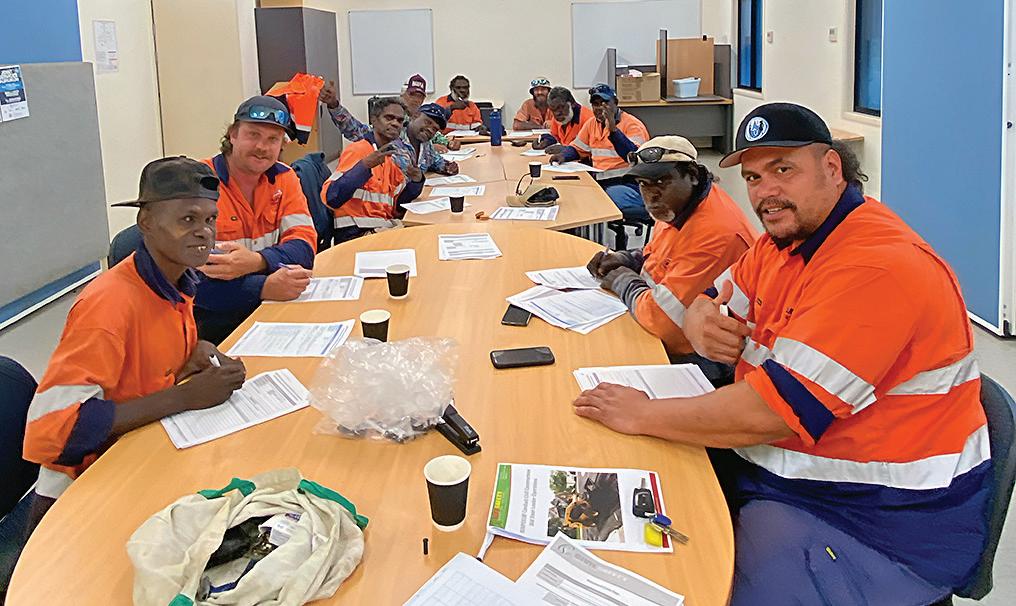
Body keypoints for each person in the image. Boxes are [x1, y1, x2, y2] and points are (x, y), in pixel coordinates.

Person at [573, 103, 991, 605]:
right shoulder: (785, 241)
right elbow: (711, 299)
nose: (764, 192)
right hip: (789, 471)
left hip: (875, 520)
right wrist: (702, 321)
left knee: (683, 580)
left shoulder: (876, 267)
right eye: (753, 177)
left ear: (832, 167)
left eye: (783, 170)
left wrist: (642, 413)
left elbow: (768, 413)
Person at [22, 157, 247, 515]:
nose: (204, 232)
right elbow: (54, 431)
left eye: (209, 220)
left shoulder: (176, 282)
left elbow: (142, 372)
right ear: (146, 223)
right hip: (79, 493)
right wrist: (186, 396)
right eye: (187, 219)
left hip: (140, 450)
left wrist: (193, 354)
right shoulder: (109, 304)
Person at [587, 136, 757, 381]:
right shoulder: (679, 205)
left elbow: (662, 320)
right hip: (670, 326)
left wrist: (621, 280)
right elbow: (657, 254)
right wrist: (628, 259)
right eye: (643, 184)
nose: (651, 195)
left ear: (692, 175)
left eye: (661, 181)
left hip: (708, 356)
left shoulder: (716, 233)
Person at [198, 96, 316, 344]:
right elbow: (189, 280)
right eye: (253, 135)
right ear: (233, 135)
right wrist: (262, 287)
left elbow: (304, 247)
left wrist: (257, 261)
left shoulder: (285, 178)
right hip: (211, 323)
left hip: (269, 311)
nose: (262, 147)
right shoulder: (197, 182)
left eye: (273, 139)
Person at [322, 97, 425, 242]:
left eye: (400, 120)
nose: (395, 123)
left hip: (381, 228)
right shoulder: (358, 150)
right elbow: (331, 197)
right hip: (354, 233)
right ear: (374, 120)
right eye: (389, 118)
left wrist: (416, 182)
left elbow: (397, 206)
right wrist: (364, 166)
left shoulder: (389, 159)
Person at [549, 84, 650, 222]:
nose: (599, 108)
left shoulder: (632, 125)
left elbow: (632, 157)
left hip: (628, 184)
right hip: (601, 182)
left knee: (600, 199)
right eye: (595, 104)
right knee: (570, 196)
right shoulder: (592, 124)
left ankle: (597, 233)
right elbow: (578, 148)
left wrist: (613, 130)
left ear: (616, 103)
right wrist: (563, 156)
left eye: (604, 103)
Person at [533, 87, 594, 153]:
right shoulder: (558, 118)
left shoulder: (589, 120)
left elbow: (594, 150)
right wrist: (546, 141)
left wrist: (567, 150)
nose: (557, 113)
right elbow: (555, 136)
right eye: (553, 109)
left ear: (572, 104)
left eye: (561, 107)